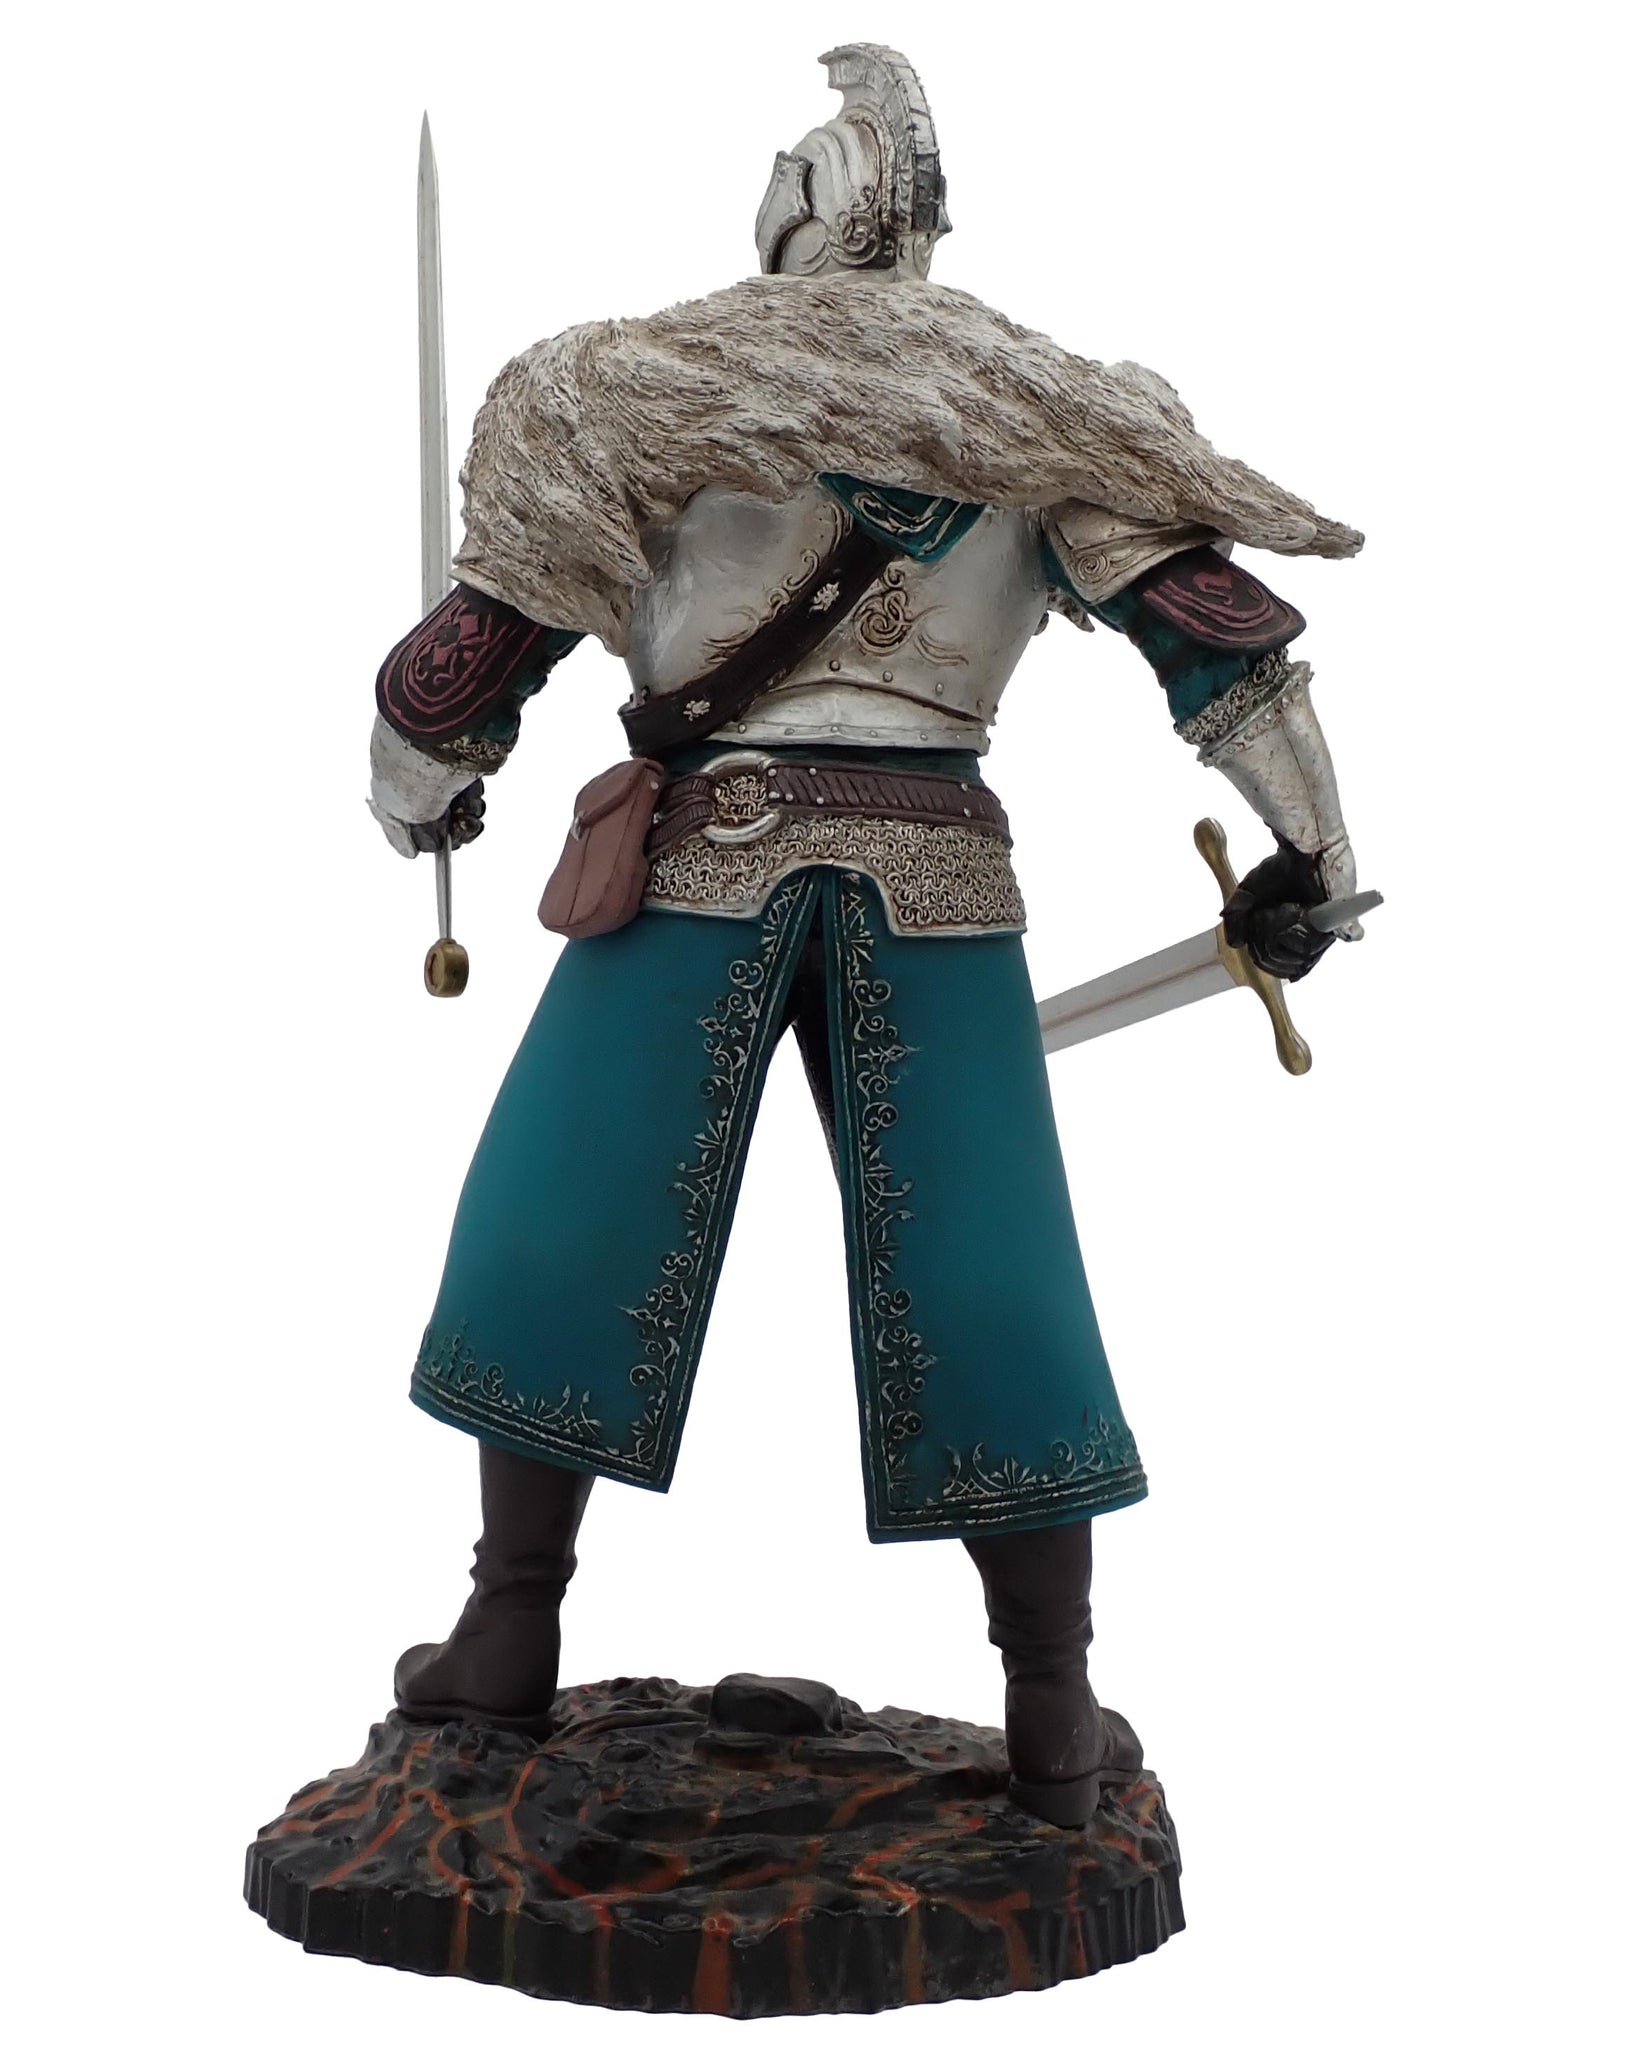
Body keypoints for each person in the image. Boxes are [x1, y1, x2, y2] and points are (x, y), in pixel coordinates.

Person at [366, 44, 1363, 1828]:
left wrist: (418, 791)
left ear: (795, 211)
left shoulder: (629, 387)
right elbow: (1221, 645)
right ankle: (1051, 1704)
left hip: (706, 858)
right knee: (985, 1263)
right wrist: (1315, 852)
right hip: (937, 877)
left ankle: (507, 1632)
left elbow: (459, 665)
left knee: (566, 1217)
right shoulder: (1038, 409)